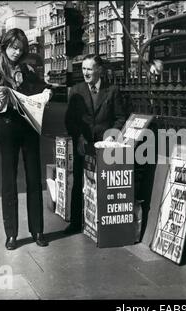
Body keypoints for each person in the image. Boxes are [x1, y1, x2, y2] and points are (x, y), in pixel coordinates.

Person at [0, 28, 53, 250]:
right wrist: (3, 100)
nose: (16, 53)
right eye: (13, 48)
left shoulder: (28, 69)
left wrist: (45, 95)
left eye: (20, 49)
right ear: (5, 46)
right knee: (9, 181)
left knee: (34, 179)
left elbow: (43, 90)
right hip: (8, 128)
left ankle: (38, 230)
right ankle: (12, 234)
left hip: (29, 128)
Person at [64, 54, 126, 234]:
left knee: (103, 183)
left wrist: (112, 136)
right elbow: (70, 120)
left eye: (89, 69)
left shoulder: (112, 90)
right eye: (83, 69)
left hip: (104, 147)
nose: (85, 72)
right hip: (83, 145)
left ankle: (101, 224)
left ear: (99, 70)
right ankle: (76, 223)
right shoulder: (76, 90)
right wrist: (79, 137)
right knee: (79, 181)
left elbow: (120, 117)